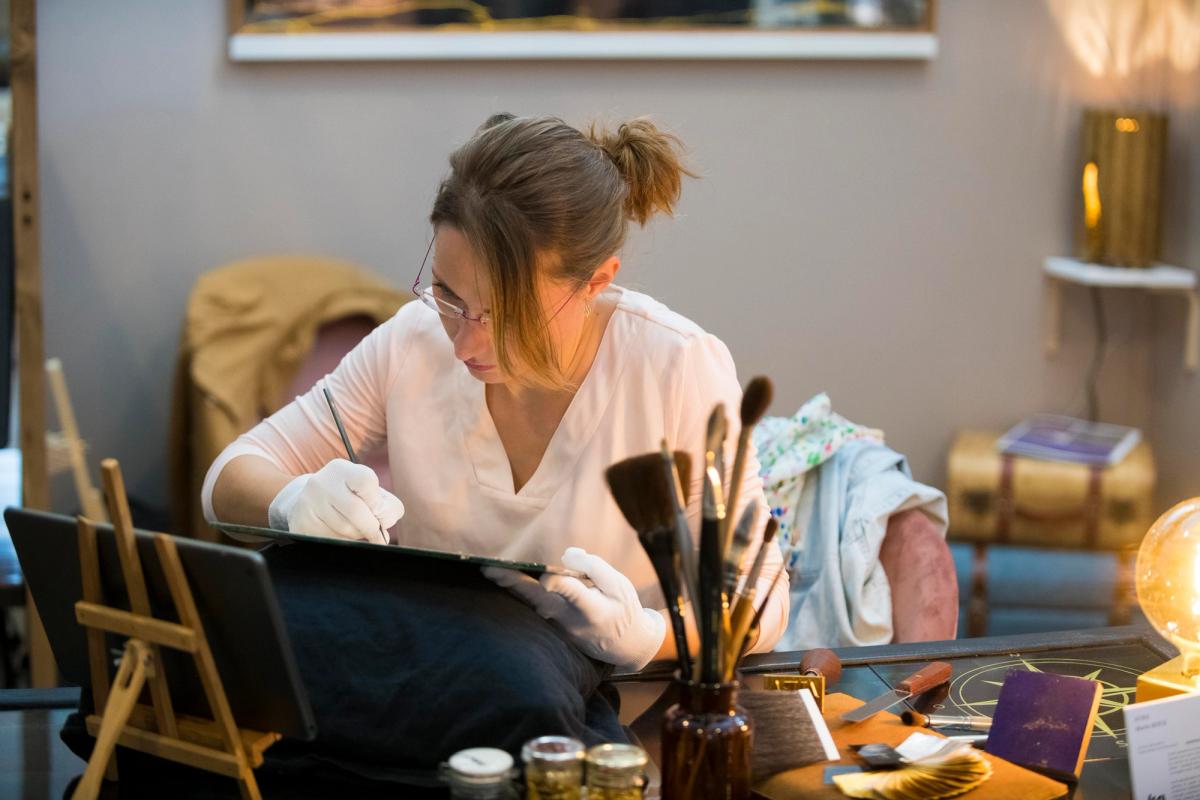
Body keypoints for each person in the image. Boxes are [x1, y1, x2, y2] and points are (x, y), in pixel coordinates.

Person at [202, 113, 788, 672]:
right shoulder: (414, 341)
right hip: (434, 697)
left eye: (506, 314)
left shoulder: (674, 366)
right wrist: (292, 503)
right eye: (448, 295)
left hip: (607, 731)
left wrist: (650, 636)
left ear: (596, 282)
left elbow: (759, 598)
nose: (463, 343)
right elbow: (227, 479)